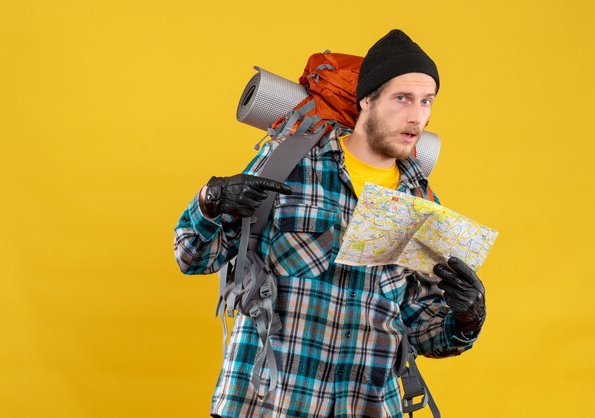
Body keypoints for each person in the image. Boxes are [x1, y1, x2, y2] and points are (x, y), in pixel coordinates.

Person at [174, 29, 486, 418]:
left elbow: (422, 330)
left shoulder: (421, 203)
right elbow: (191, 255)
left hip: (367, 406)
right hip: (268, 404)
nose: (416, 116)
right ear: (367, 100)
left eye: (427, 101)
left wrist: (465, 317)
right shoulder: (290, 164)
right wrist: (211, 201)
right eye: (402, 98)